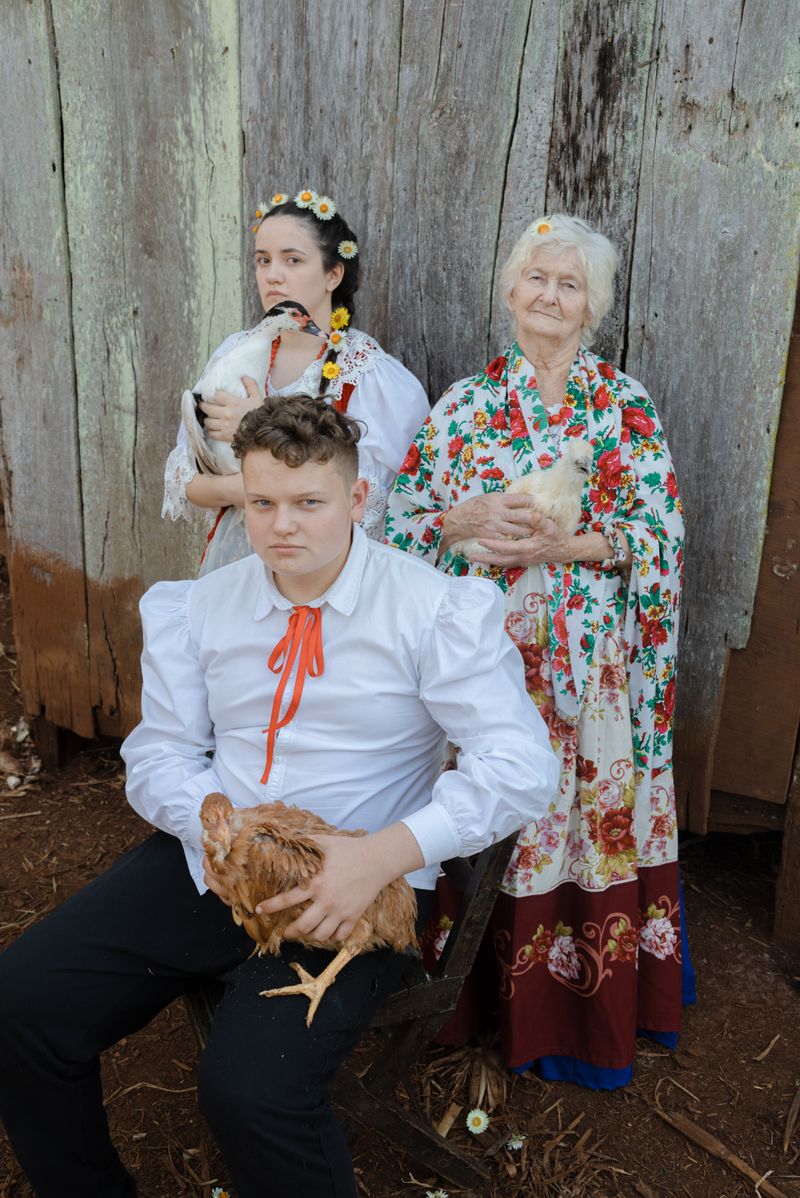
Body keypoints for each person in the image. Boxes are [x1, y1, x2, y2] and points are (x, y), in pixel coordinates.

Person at [0, 396, 558, 1197]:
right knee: (22, 1002)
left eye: (308, 503)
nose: (281, 525)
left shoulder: (432, 610)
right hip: (212, 862)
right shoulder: (202, 606)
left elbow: (520, 767)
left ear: (358, 501)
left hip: (350, 891)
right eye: (261, 502)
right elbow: (159, 752)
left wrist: (378, 856)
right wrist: (213, 825)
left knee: (250, 1094)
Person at [386, 213, 694, 1090]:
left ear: (591, 305)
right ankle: (468, 1001)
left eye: (570, 284)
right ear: (511, 290)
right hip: (485, 659)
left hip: (591, 667)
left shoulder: (623, 406)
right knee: (489, 806)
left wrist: (566, 548)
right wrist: (463, 519)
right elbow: (401, 521)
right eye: (537, 278)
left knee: (575, 814)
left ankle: (575, 1013)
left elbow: (659, 531)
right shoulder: (467, 407)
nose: (550, 296)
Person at [163, 188, 429, 573]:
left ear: (333, 274)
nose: (273, 275)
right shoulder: (234, 355)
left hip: (326, 579)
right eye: (263, 260)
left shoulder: (370, 377)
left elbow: (375, 509)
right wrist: (247, 492)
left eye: (293, 260)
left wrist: (260, 429)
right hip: (236, 570)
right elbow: (186, 480)